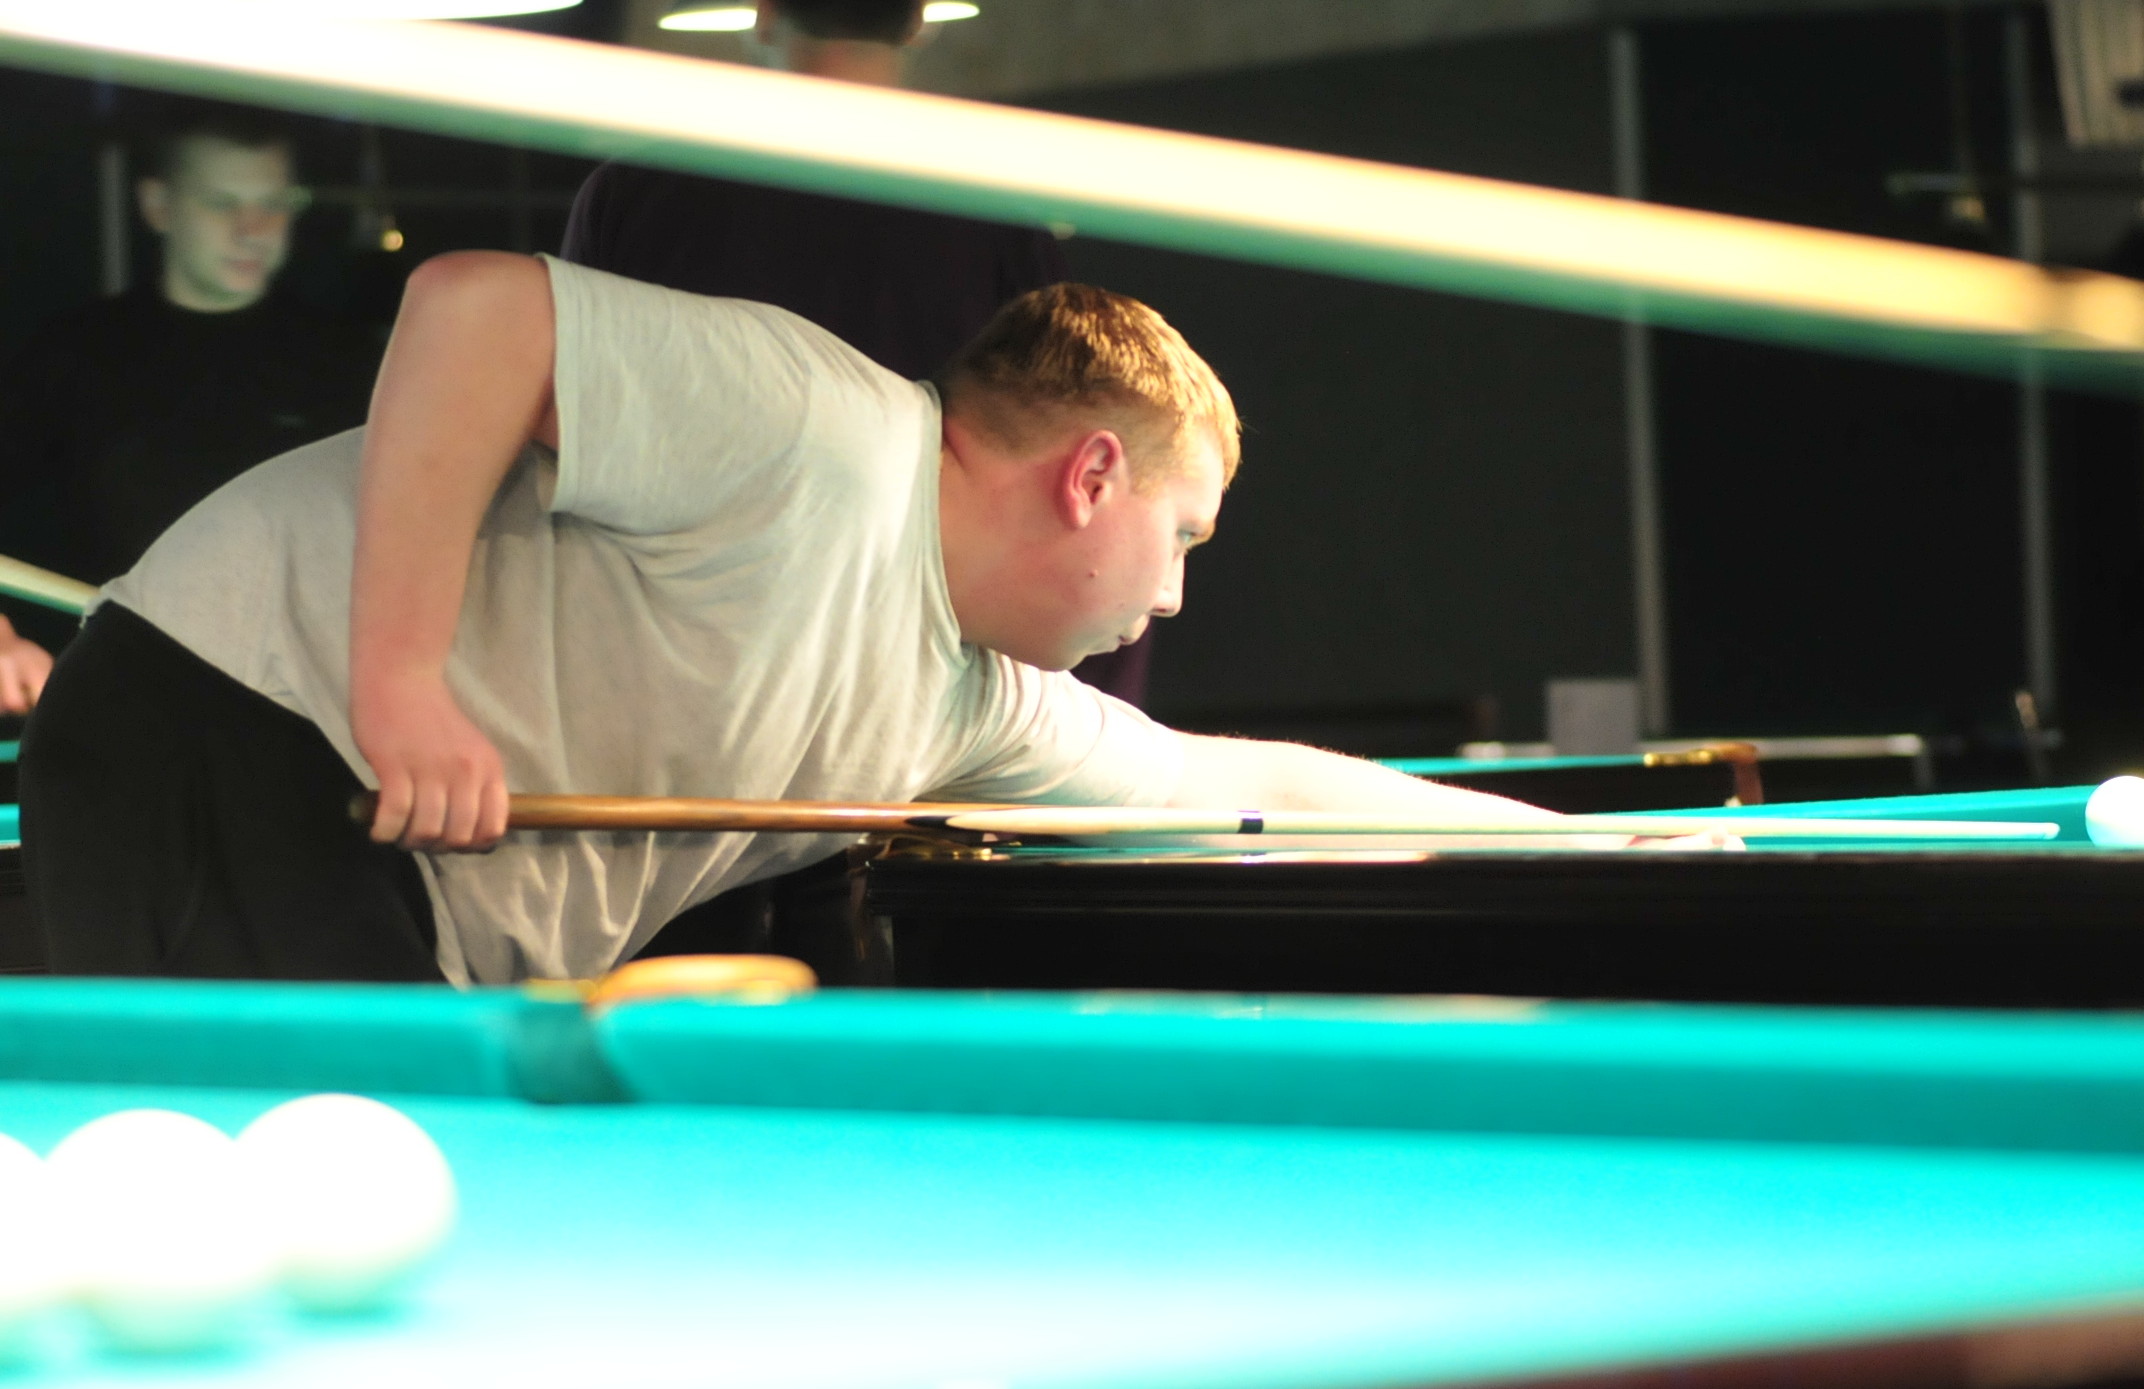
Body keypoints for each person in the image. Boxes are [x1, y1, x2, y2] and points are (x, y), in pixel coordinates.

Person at [19, 252, 1672, 985]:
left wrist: (1608, 847)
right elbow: (472, 312)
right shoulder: (822, 426)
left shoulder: (968, 700)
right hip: (234, 717)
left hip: (352, 851)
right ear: (1091, 474)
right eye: (1181, 536)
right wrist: (401, 683)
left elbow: (1242, 780)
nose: (1171, 592)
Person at [558, 0, 1155, 703]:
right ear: (920, 18)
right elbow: (1067, 436)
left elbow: (575, 413)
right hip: (927, 663)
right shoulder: (996, 208)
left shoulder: (638, 191)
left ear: (762, 7)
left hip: (689, 650)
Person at [0, 104, 378, 714]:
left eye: (274, 203)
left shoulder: (349, 366)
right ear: (158, 206)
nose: (253, 229)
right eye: (223, 204)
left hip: (297, 708)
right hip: (111, 699)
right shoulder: (75, 356)